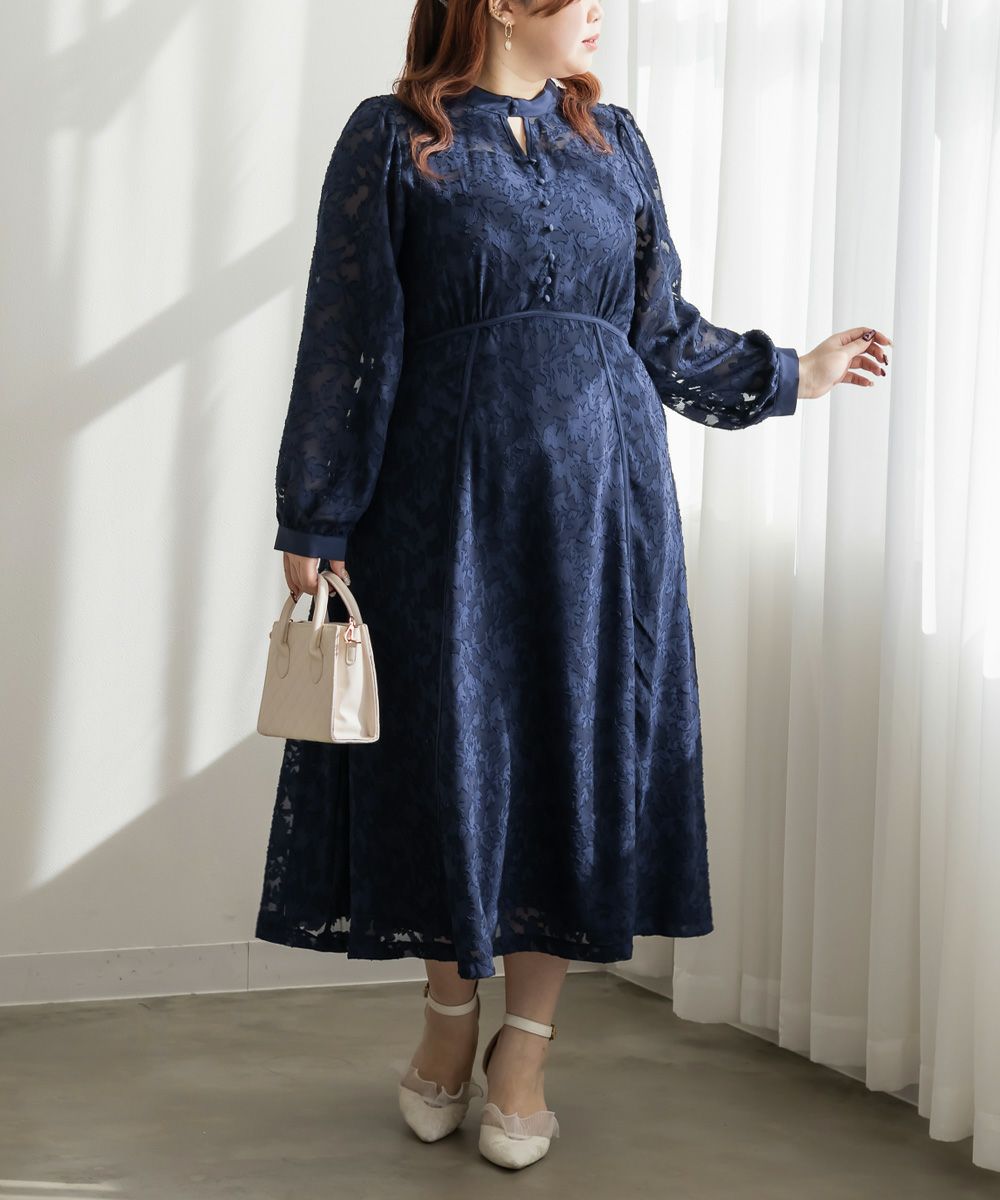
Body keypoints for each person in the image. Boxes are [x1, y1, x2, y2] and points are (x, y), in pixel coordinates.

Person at [253, 0, 891, 1171]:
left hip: (604, 510)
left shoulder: (616, 140)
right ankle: (449, 1014)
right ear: (502, 3)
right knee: (447, 754)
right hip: (439, 510)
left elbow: (659, 328)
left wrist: (789, 374)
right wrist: (316, 512)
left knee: (572, 756)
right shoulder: (394, 137)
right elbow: (346, 337)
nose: (599, 11)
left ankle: (527, 1049)